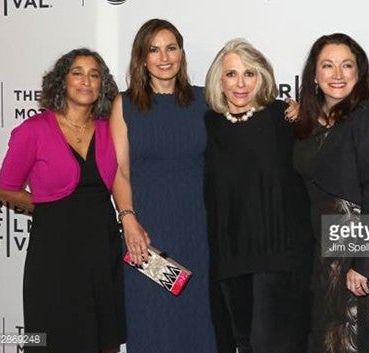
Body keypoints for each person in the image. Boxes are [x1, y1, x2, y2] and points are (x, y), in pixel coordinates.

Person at [293, 33, 369, 353]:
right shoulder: (310, 123)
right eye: (328, 66)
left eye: (347, 66)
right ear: (314, 76)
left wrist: (364, 264)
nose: (338, 75)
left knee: (363, 342)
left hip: (363, 252)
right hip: (328, 254)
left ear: (359, 73)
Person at [0, 48, 125, 353]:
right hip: (54, 252)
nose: (86, 81)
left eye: (94, 75)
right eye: (77, 73)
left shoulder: (111, 130)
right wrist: (47, 208)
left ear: (102, 85)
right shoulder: (33, 131)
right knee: (54, 336)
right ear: (62, 81)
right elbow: (6, 189)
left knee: (104, 335)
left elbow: (123, 179)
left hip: (102, 247)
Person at [109, 19, 222, 352]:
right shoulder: (125, 104)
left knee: (198, 324)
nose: (164, 57)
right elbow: (120, 171)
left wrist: (289, 108)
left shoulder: (206, 101)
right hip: (146, 238)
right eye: (154, 49)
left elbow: (250, 111)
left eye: (171, 47)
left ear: (181, 54)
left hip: (199, 234)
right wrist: (127, 219)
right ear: (142, 58)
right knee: (153, 323)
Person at [204, 38, 313, 353]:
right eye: (231, 74)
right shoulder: (209, 122)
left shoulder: (284, 117)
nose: (240, 83)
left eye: (249, 74)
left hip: (278, 256)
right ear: (219, 81)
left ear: (262, 77)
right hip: (231, 256)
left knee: (272, 344)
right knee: (245, 343)